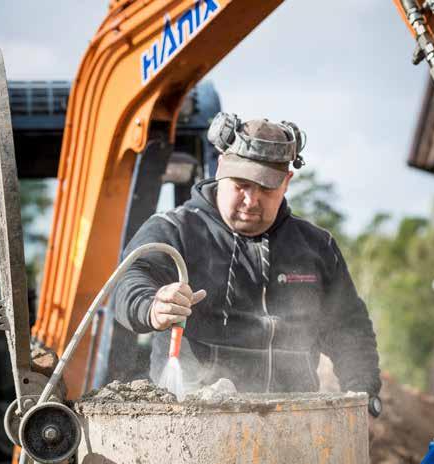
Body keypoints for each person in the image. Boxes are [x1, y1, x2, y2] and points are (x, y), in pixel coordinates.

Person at [114, 114, 381, 412]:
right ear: (220, 169)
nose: (252, 200)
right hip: (193, 424)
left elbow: (348, 327)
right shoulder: (174, 231)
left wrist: (363, 391)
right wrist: (151, 306)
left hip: (295, 426)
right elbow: (129, 282)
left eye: (267, 188)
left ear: (287, 182)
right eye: (242, 185)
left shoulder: (316, 247)